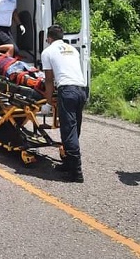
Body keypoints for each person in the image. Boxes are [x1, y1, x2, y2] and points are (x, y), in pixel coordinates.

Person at [41, 24, 87, 183]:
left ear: (49, 38)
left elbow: (48, 80)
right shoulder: (72, 50)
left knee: (69, 131)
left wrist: (47, 102)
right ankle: (68, 163)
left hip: (67, 91)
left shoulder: (48, 52)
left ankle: (76, 172)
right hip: (82, 90)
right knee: (75, 129)